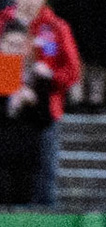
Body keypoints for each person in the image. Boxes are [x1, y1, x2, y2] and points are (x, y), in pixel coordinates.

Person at [3, 0, 78, 205]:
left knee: (42, 175)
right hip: (5, 108)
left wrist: (46, 77)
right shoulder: (3, 20)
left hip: (42, 111)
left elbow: (72, 70)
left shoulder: (55, 26)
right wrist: (12, 86)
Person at [0, 20, 53, 204]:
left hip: (27, 156)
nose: (14, 50)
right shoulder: (5, 69)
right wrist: (12, 104)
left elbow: (46, 120)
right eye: (10, 45)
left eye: (19, 45)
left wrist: (35, 98)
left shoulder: (37, 74)